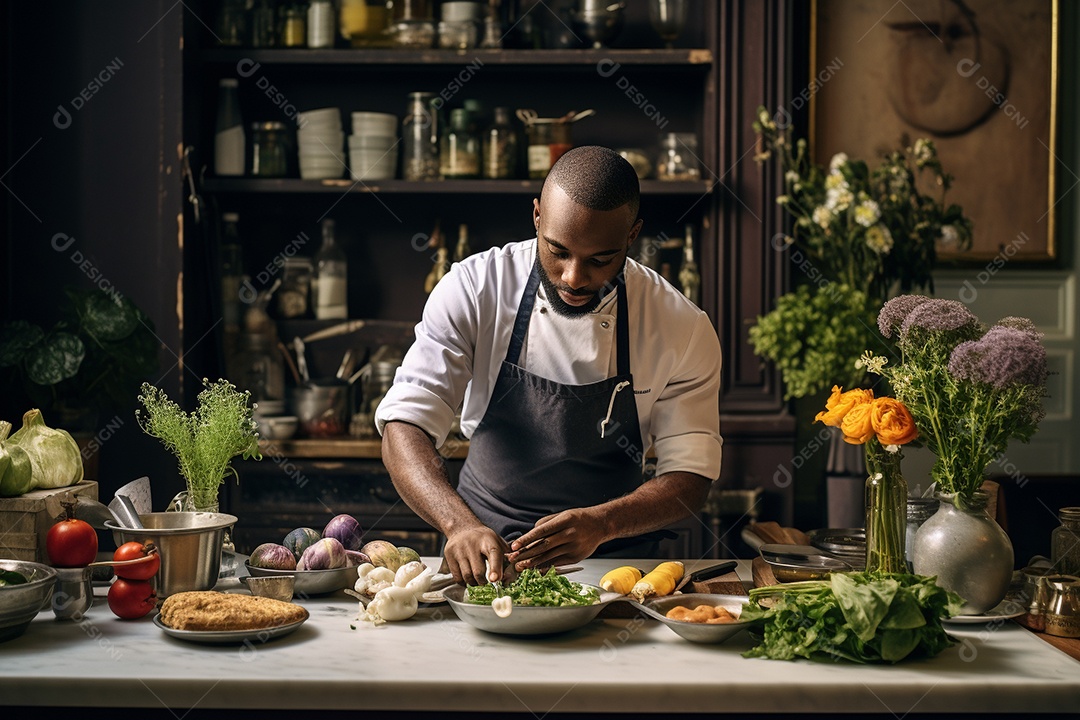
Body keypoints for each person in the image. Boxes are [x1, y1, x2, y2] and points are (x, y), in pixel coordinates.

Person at [376, 145, 722, 587]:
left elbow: (691, 476)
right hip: (483, 563)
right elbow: (404, 424)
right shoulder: (474, 288)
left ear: (633, 236)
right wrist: (457, 524)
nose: (575, 278)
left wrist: (604, 523)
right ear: (537, 216)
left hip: (613, 570)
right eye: (558, 251)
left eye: (601, 259)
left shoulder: (682, 327)